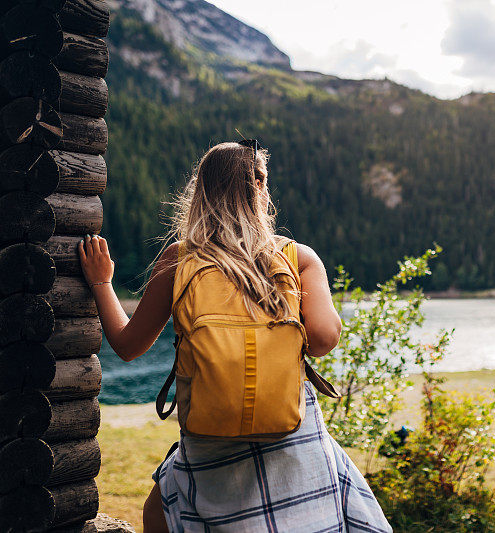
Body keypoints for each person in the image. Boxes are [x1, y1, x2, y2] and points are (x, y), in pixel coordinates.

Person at [78, 141, 392, 532]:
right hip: (292, 435)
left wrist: (101, 282)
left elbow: (126, 346)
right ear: (260, 188)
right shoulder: (298, 257)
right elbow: (325, 340)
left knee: (159, 509)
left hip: (210, 443)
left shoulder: (180, 258)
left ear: (202, 192)